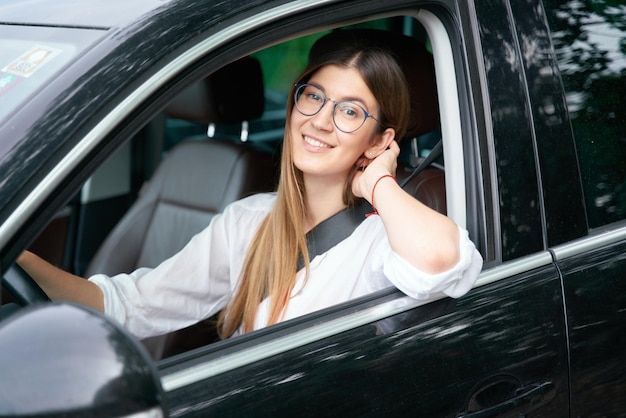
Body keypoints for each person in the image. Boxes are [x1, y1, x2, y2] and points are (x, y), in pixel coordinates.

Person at [17, 33, 483, 340]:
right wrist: (17, 257)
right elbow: (128, 305)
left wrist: (379, 179)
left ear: (381, 138)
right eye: (313, 96)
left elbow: (442, 263)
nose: (319, 120)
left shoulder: (388, 238)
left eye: (349, 111)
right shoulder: (249, 220)